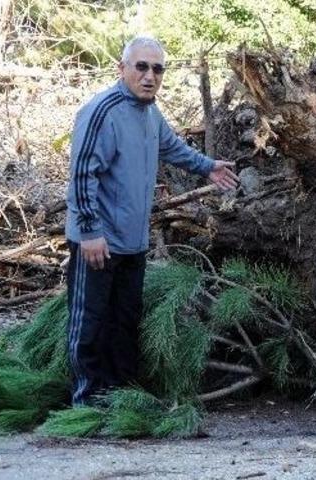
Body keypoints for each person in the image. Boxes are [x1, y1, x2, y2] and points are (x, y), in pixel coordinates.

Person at [64, 36, 238, 406]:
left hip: (132, 242)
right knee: (90, 322)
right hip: (98, 242)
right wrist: (91, 231)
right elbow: (82, 176)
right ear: (122, 68)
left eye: (157, 69)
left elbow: (172, 146)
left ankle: (121, 397)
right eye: (141, 66)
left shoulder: (149, 113)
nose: (149, 76)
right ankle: (87, 402)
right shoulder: (102, 112)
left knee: (124, 323)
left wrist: (207, 167)